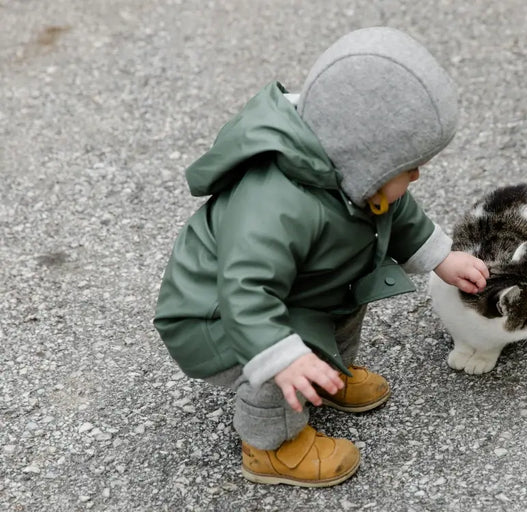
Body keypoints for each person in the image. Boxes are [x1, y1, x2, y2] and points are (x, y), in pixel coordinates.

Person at [152, 27, 488, 488]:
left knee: (347, 302)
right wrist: (283, 357)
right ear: (363, 157)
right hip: (218, 316)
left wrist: (440, 257)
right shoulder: (274, 204)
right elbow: (244, 291)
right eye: (406, 165)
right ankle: (271, 447)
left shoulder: (354, 176)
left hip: (302, 288)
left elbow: (398, 211)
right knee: (283, 360)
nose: (416, 173)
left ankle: (327, 375)